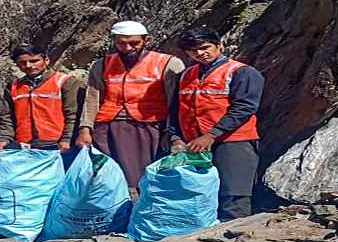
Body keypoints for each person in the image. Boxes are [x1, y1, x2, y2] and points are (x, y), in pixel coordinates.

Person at [76, 21, 185, 190]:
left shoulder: (168, 63)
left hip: (150, 129)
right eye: (121, 43)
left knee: (148, 177)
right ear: (114, 41)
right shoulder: (101, 65)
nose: (127, 48)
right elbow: (92, 99)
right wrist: (85, 129)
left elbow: (175, 103)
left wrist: (173, 134)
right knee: (111, 178)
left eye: (134, 43)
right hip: (108, 128)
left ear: (146, 40)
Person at [170, 27, 264, 221]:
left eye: (205, 47)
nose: (200, 53)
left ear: (218, 45)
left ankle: (234, 240)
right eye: (193, 50)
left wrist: (211, 134)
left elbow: (244, 108)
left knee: (234, 191)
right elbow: (177, 109)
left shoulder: (241, 72)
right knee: (199, 191)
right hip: (195, 143)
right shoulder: (187, 75)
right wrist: (175, 137)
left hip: (233, 141)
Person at [0, 44, 82, 153]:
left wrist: (67, 139)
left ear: (46, 60)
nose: (28, 65)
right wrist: (4, 139)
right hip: (23, 145)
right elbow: (7, 117)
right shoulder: (13, 86)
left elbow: (73, 114)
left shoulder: (66, 82)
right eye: (22, 63)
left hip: (56, 145)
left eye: (34, 61)